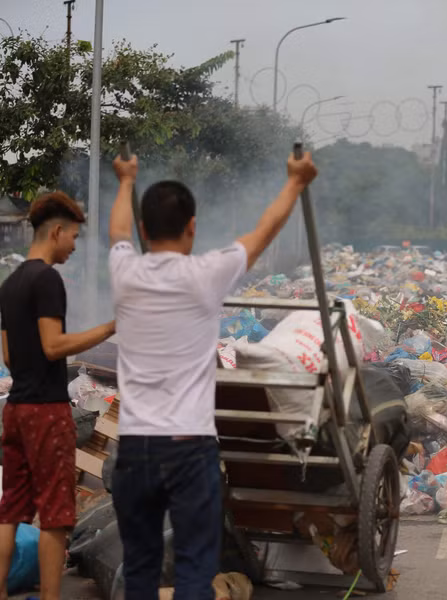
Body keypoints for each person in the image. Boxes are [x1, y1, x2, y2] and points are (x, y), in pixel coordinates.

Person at [108, 150, 317, 599]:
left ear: (145, 229)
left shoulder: (125, 271)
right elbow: (263, 232)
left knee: (140, 569)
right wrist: (295, 182)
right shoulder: (206, 273)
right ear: (192, 227)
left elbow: (117, 233)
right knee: (193, 570)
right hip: (189, 447)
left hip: (136, 447)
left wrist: (125, 180)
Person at [0, 192, 116, 600]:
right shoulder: (47, 279)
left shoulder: (11, 283)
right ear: (56, 231)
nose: (74, 246)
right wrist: (108, 328)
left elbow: (8, 355)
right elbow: (52, 346)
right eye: (74, 237)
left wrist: (29, 374)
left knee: (11, 509)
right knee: (55, 514)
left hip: (16, 409)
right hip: (46, 411)